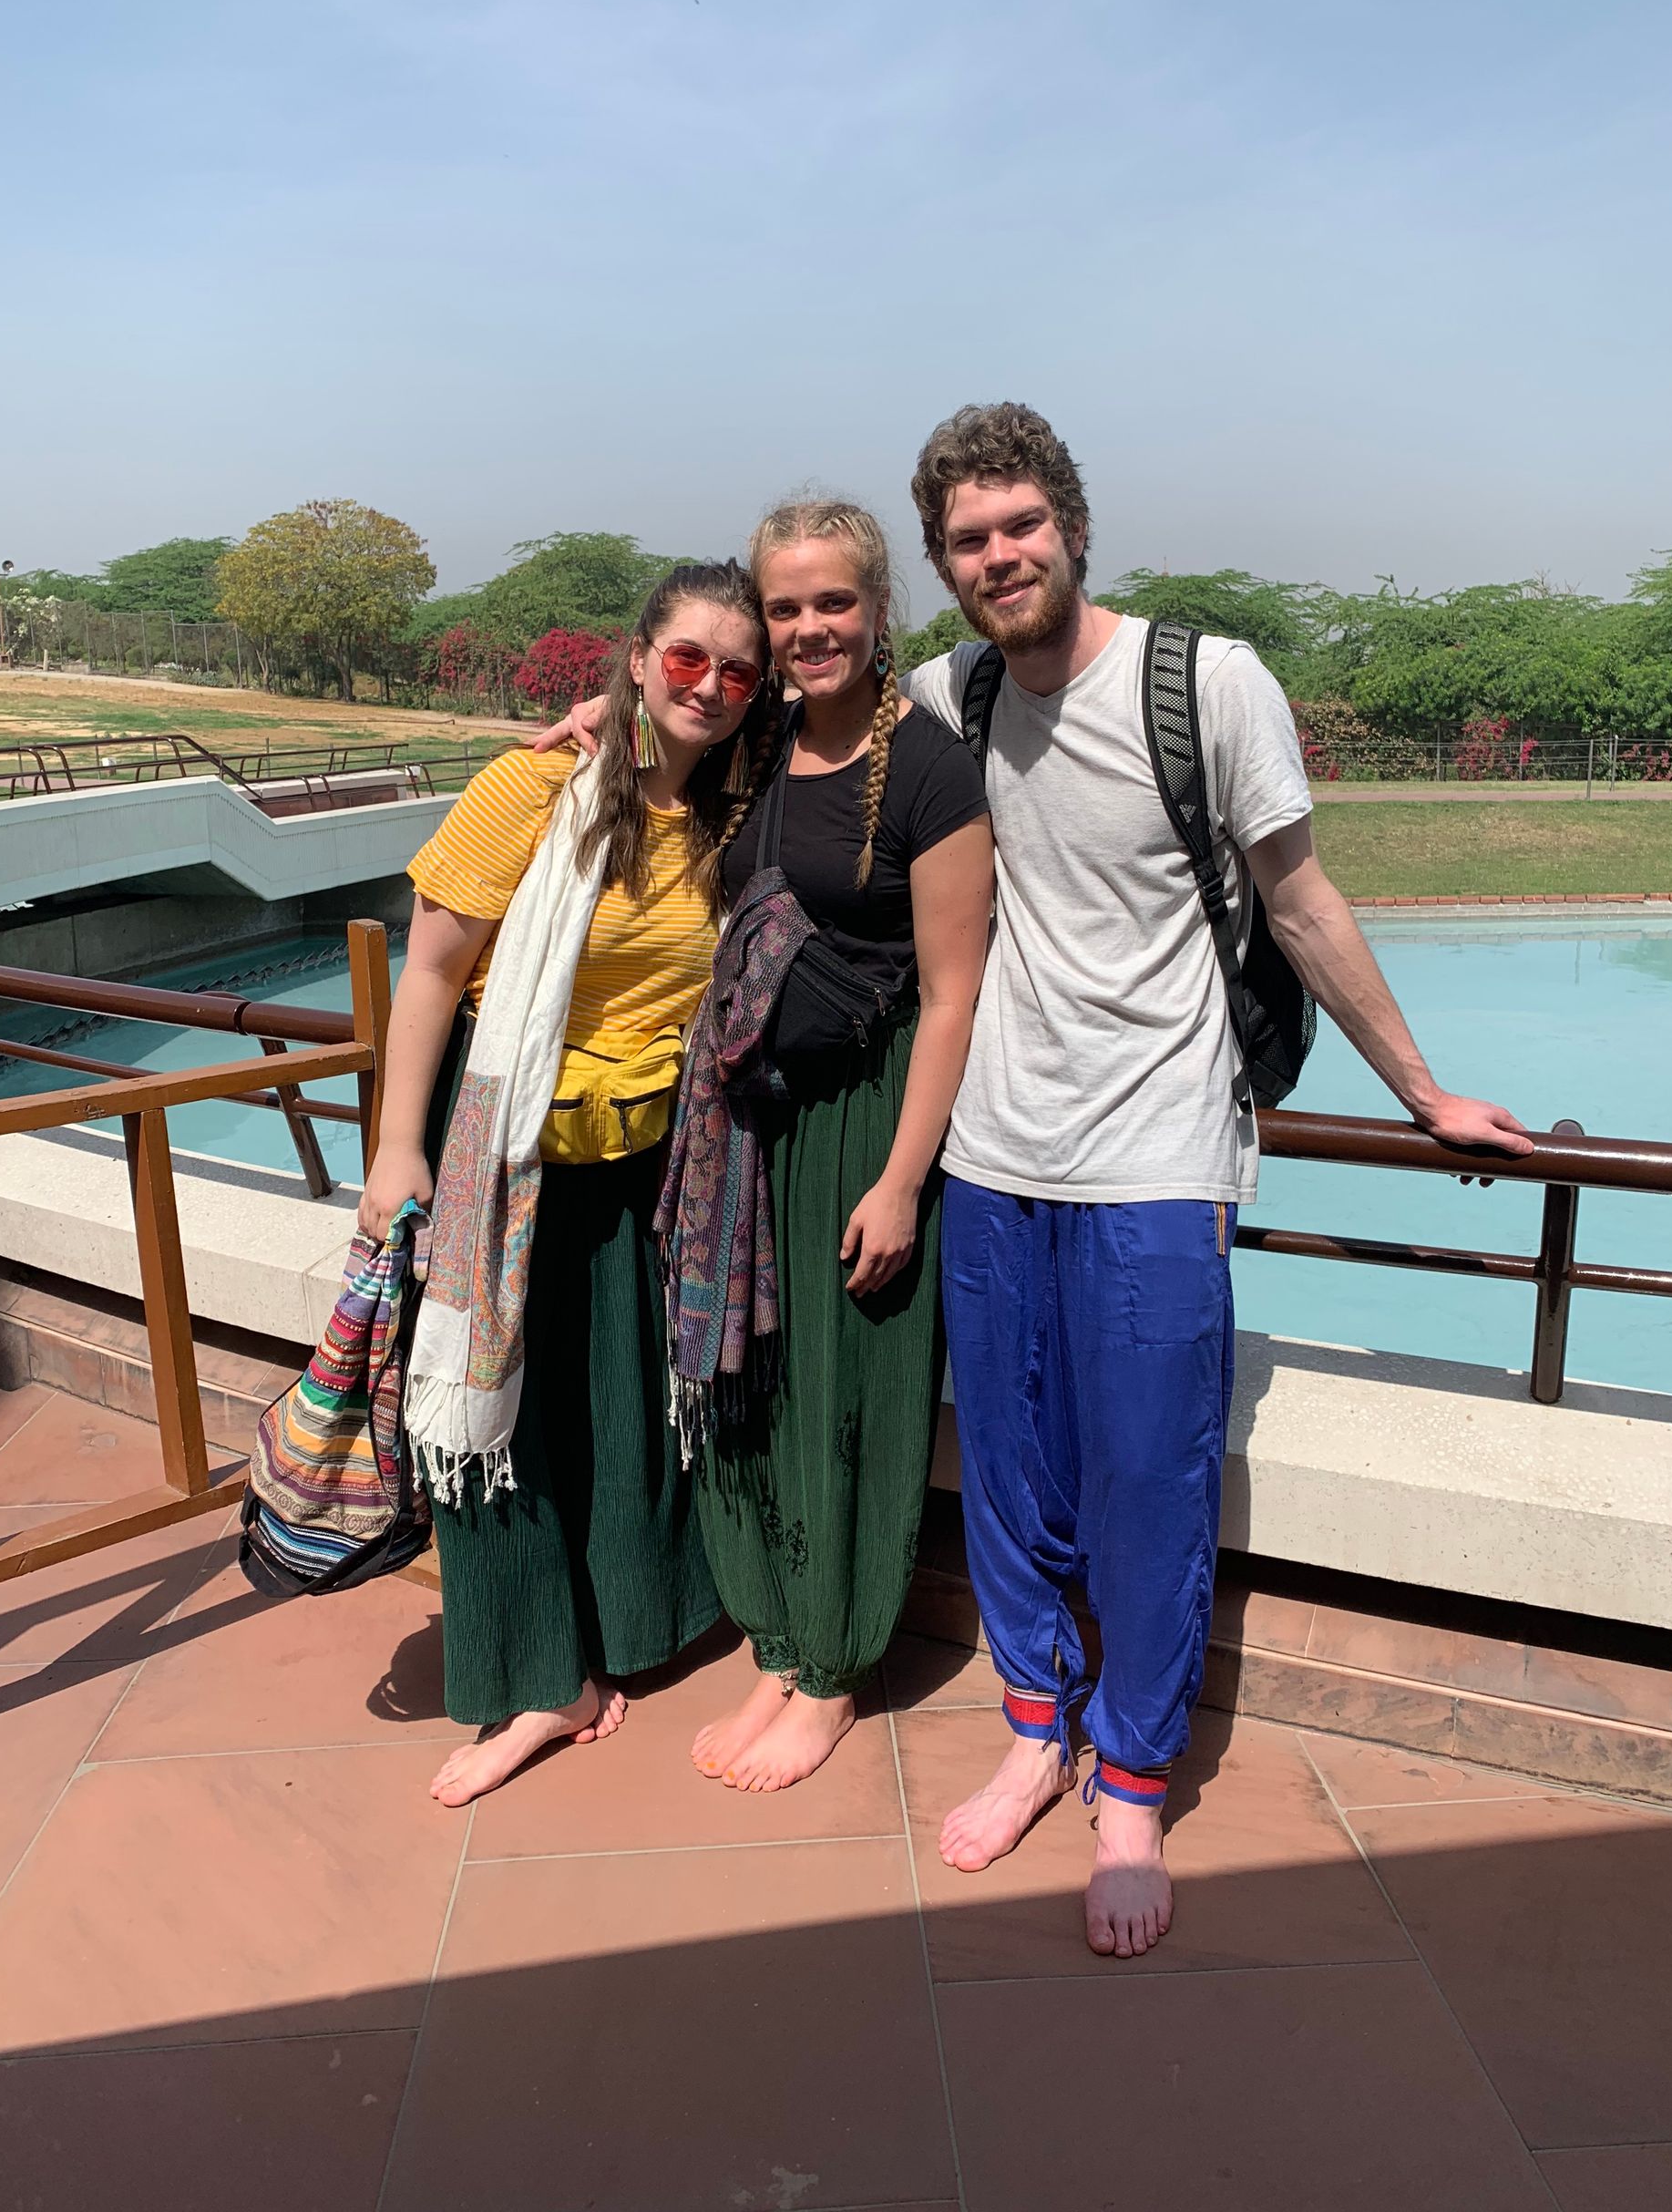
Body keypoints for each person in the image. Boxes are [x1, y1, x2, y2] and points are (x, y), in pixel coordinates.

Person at [898, 403, 1533, 1957]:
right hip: (991, 1150)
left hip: (1158, 1157)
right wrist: (614, 724)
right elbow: (803, 741)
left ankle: (1131, 1785)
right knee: (1011, 1469)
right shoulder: (946, 695)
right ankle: (1035, 1728)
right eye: (969, 540)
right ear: (944, 564)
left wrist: (1424, 1090)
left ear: (1074, 524)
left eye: (1021, 525)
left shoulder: (1206, 683)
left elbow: (1299, 898)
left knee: (1148, 1478)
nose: (1000, 557)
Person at [543, 499, 994, 1792]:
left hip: (862, 1121)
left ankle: (834, 1667)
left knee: (852, 1393)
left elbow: (953, 991)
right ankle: (776, 1642)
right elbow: (662, 741)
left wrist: (904, 1180)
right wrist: (596, 720)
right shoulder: (764, 739)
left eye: (831, 604)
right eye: (785, 608)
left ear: (877, 608)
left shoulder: (928, 771)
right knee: (751, 1389)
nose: (806, 631)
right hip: (746, 1129)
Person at [357, 561, 770, 1806]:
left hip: (646, 1161)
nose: (709, 684)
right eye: (686, 656)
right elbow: (430, 975)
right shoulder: (535, 788)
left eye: (736, 668)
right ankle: (540, 1682)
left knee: (623, 1407)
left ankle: (631, 1629)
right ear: (637, 658)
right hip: (505, 1146)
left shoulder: (733, 814)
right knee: (491, 1417)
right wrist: (394, 1149)